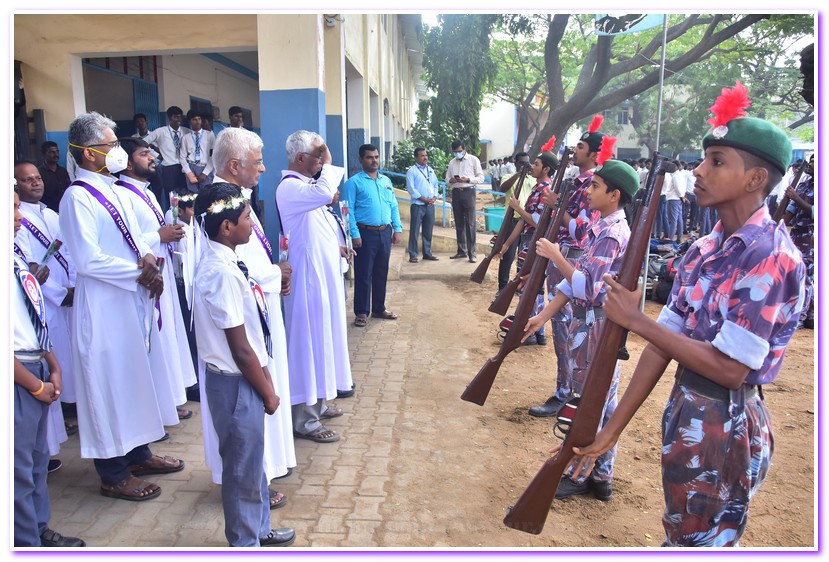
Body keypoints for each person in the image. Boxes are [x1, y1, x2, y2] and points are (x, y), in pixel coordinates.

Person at [566, 84, 806, 546]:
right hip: (687, 407)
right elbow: (661, 346)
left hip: (726, 422)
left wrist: (637, 321)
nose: (698, 170)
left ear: (755, 179)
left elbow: (731, 369)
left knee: (702, 542)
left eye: (717, 161)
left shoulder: (770, 255)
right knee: (681, 532)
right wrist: (610, 433)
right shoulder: (704, 249)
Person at [60, 111, 182, 502]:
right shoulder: (77, 197)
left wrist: (147, 259)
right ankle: (112, 473)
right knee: (107, 384)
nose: (118, 151)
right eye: (111, 144)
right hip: (103, 307)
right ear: (88, 152)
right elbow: (87, 260)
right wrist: (138, 273)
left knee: (131, 379)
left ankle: (138, 455)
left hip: (128, 301)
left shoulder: (113, 189)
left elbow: (138, 236)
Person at [524, 157, 638, 501]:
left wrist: (556, 256)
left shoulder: (611, 233)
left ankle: (582, 474)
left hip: (596, 326)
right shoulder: (604, 227)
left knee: (592, 404)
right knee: (601, 403)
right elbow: (576, 281)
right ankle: (601, 476)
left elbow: (587, 288)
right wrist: (544, 316)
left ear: (614, 195)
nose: (588, 192)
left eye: (595, 186)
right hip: (592, 324)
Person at [191, 182, 295, 548]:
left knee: (252, 464)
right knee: (240, 470)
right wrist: (268, 391)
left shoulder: (229, 261)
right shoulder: (219, 272)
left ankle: (259, 529)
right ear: (226, 227)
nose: (252, 223)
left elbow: (250, 333)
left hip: (244, 377)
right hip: (235, 382)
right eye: (247, 217)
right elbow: (239, 348)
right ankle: (244, 543)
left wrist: (264, 375)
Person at [201, 126, 297, 506]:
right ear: (234, 165)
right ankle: (249, 489)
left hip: (259, 307)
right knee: (246, 416)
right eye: (257, 162)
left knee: (257, 413)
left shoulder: (239, 198)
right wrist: (276, 273)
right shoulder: (216, 206)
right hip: (237, 331)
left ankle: (259, 477)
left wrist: (275, 275)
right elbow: (236, 268)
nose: (263, 168)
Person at [13, 188, 85, 548]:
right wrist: (33, 383)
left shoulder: (13, 256)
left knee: (36, 462)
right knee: (16, 470)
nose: (19, 217)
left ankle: (38, 528)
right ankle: (24, 542)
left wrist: (52, 364)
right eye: (11, 209)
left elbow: (32, 315)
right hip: (18, 374)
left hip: (37, 362)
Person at [276, 130, 352, 443]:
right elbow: (324, 192)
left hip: (321, 277)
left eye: (322, 156)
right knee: (308, 344)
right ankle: (304, 419)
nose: (321, 160)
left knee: (324, 340)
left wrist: (337, 247)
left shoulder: (305, 187)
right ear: (300, 158)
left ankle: (318, 403)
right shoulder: (290, 188)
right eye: (317, 155)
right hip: (307, 280)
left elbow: (318, 225)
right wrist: (329, 158)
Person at [114, 137, 197, 422]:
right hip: (145, 277)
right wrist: (158, 236)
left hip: (163, 274)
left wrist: (169, 236)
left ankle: (169, 399)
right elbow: (127, 239)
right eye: (144, 154)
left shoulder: (147, 193)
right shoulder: (121, 194)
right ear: (127, 163)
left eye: (150, 153)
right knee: (155, 337)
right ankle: (157, 406)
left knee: (168, 336)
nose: (152, 158)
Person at [528, 118, 604, 417]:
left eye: (581, 146)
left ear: (594, 154)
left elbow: (581, 231)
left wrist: (557, 207)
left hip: (570, 256)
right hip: (561, 255)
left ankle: (566, 392)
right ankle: (566, 389)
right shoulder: (580, 181)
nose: (575, 150)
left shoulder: (591, 185)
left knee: (565, 326)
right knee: (560, 325)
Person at [15, 160, 76, 467]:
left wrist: (72, 287)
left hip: (66, 297)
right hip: (46, 302)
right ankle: (46, 452)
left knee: (65, 362)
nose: (35, 183)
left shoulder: (51, 214)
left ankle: (67, 413)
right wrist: (57, 294)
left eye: (37, 178)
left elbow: (69, 254)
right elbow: (29, 269)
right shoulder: (18, 221)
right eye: (27, 180)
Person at [496, 150, 559, 346]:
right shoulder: (537, 188)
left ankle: (531, 332)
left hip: (534, 242)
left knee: (531, 287)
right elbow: (524, 222)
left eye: (537, 164)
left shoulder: (546, 190)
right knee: (531, 287)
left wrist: (517, 208)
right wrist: (507, 244)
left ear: (546, 169)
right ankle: (537, 332)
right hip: (528, 240)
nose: (533, 167)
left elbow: (537, 221)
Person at [342, 143, 403, 326]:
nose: (374, 160)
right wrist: (354, 234)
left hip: (384, 232)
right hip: (364, 234)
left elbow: (393, 205)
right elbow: (348, 211)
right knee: (363, 274)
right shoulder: (353, 183)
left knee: (381, 272)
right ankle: (361, 312)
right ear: (361, 160)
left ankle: (378, 308)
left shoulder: (386, 181)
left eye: (376, 157)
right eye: (369, 157)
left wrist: (397, 228)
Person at [495, 152, 534, 293]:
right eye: (521, 163)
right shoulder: (508, 176)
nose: (524, 166)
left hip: (527, 222)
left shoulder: (532, 180)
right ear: (516, 163)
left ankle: (518, 287)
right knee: (508, 256)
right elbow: (503, 188)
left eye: (527, 163)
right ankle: (502, 287)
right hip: (512, 221)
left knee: (524, 256)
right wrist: (518, 174)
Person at [783, 153, 814, 329]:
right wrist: (778, 225)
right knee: (797, 272)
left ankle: (804, 315)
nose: (810, 164)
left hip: (813, 235)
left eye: (814, 162)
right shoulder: (802, 185)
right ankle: (806, 314)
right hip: (798, 234)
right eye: (811, 161)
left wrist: (796, 197)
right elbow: (791, 209)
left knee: (808, 275)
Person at [445, 140, 485, 263]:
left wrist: (468, 179)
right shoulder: (452, 162)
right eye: (455, 152)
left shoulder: (473, 160)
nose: (457, 154)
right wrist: (451, 180)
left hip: (469, 192)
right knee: (459, 222)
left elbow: (481, 178)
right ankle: (461, 250)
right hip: (456, 192)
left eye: (459, 151)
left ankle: (472, 253)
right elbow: (446, 179)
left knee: (470, 223)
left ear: (464, 149)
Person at [145, 106, 190, 208]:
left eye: (180, 117)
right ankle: (172, 215)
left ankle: (183, 214)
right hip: (169, 168)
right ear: (169, 117)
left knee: (185, 195)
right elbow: (144, 142)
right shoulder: (160, 131)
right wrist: (156, 155)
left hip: (185, 167)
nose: (178, 120)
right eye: (175, 117)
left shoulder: (187, 131)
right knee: (171, 196)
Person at [405, 146, 439, 263]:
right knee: (414, 230)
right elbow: (411, 189)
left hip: (430, 205)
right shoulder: (412, 171)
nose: (425, 157)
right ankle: (413, 255)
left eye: (426, 155)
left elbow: (435, 185)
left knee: (428, 230)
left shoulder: (431, 170)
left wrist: (434, 197)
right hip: (418, 205)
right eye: (422, 156)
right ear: (416, 157)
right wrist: (423, 199)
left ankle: (427, 253)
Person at [180, 109, 216, 193]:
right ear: (189, 122)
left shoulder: (210, 135)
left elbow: (213, 156)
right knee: (193, 194)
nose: (197, 122)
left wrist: (205, 173)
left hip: (206, 167)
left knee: (207, 193)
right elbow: (182, 157)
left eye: (199, 119)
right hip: (191, 167)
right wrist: (189, 173)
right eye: (194, 119)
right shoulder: (186, 138)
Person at [37, 141, 72, 213]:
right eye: (51, 152)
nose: (56, 154)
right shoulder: (39, 173)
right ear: (44, 154)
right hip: (49, 211)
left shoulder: (63, 171)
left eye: (57, 151)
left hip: (65, 209)